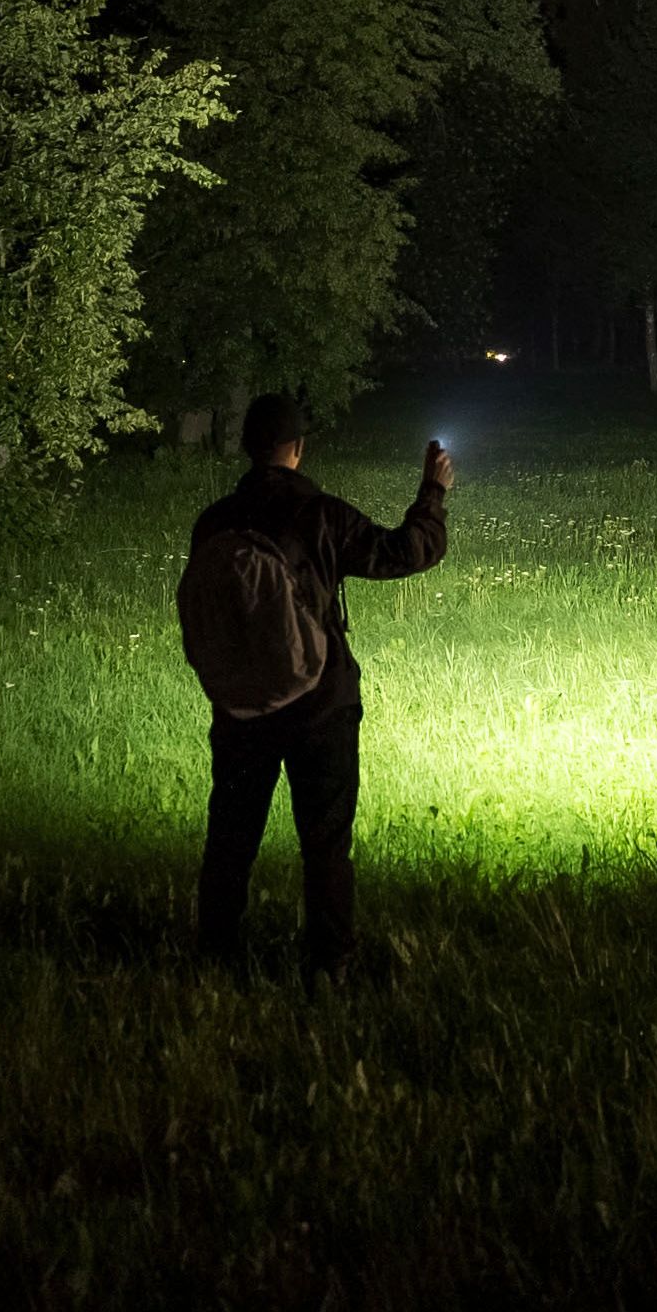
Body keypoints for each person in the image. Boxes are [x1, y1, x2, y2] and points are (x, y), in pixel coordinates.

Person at [180, 393, 449, 981]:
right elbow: (405, 553)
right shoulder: (321, 515)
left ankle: (215, 957)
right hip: (319, 706)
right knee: (325, 844)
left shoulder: (215, 521)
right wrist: (432, 494)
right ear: (298, 448)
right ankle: (330, 965)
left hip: (241, 706)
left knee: (230, 839)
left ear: (248, 447)